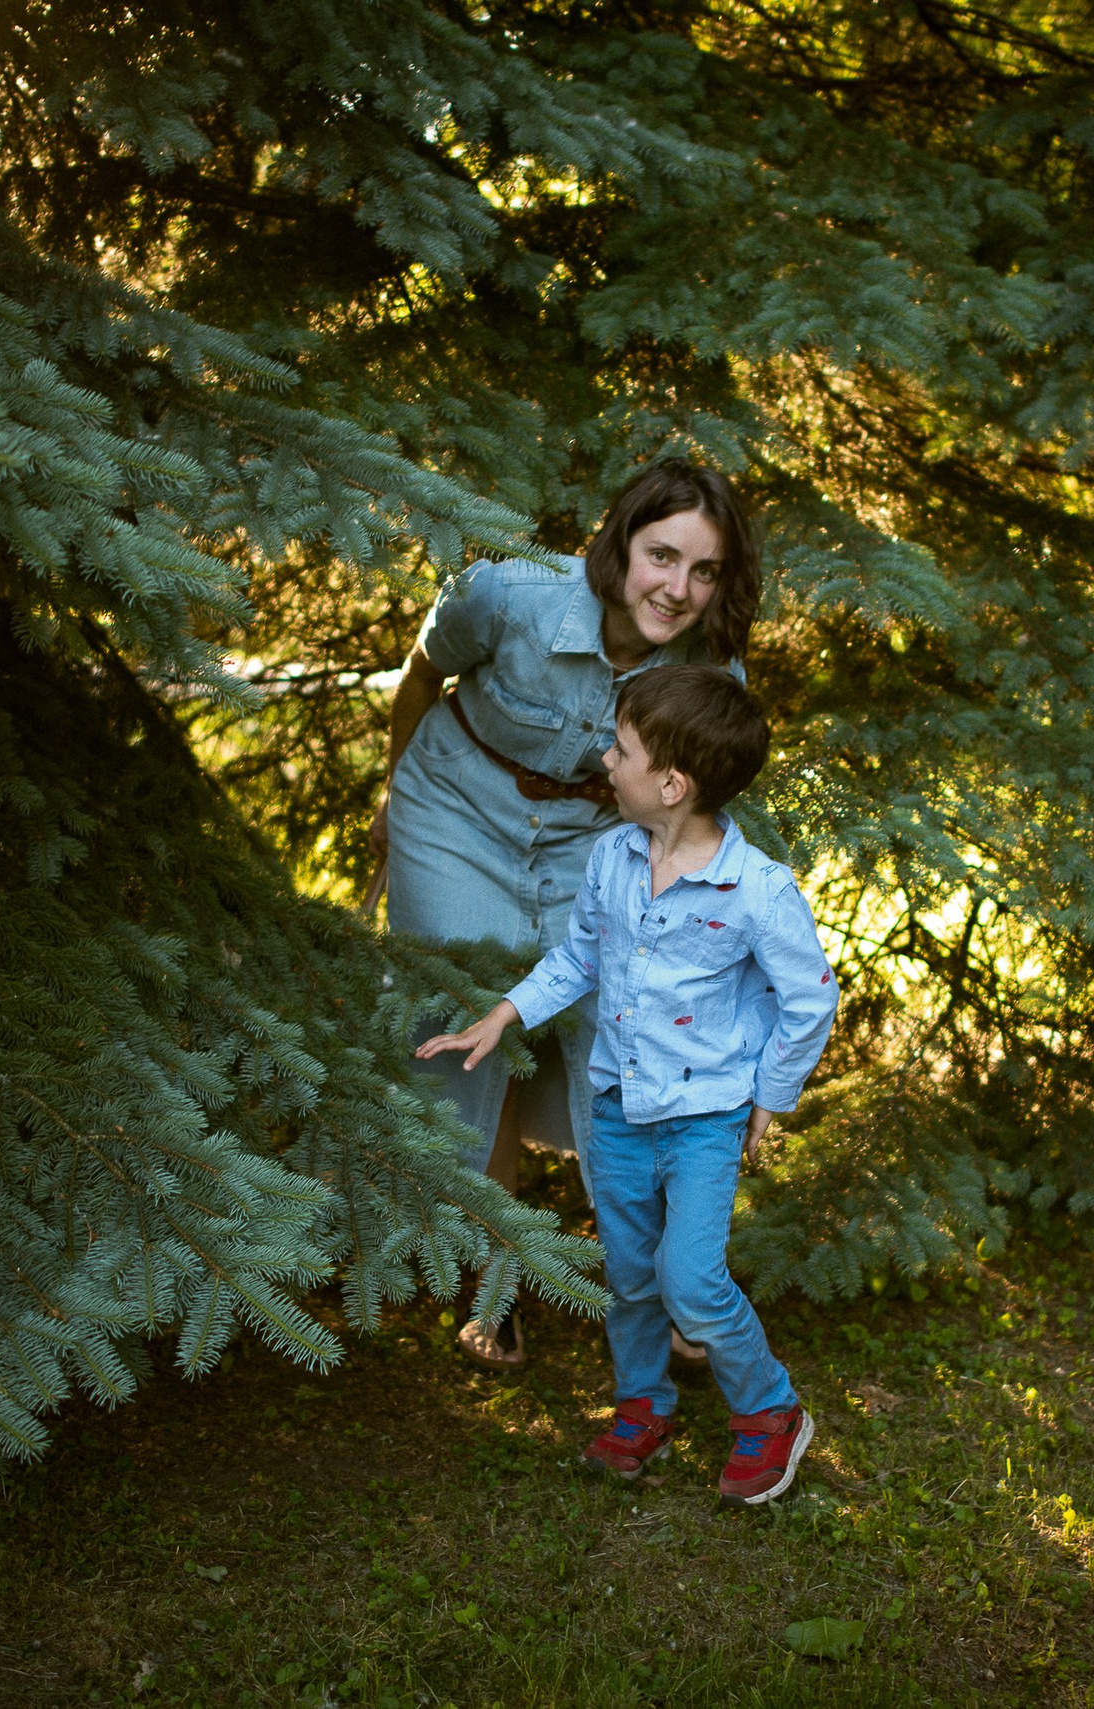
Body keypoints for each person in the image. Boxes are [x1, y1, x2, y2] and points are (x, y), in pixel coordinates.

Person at [416, 666, 838, 1507]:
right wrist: (504, 1013)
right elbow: (579, 956)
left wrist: (770, 1094)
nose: (604, 759)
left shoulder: (756, 891)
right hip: (618, 1108)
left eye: (621, 748)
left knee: (689, 1278)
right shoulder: (612, 856)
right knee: (631, 1274)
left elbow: (810, 996)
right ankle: (644, 1403)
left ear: (671, 784)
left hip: (705, 1119)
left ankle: (772, 1410)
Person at [373, 462, 760, 1369]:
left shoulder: (708, 670)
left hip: (595, 834)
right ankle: (492, 1281)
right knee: (472, 1021)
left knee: (623, 1030)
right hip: (455, 809)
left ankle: (676, 1290)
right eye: (662, 556)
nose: (678, 588)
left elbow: (686, 810)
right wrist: (393, 797)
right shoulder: (508, 595)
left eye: (704, 572)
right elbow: (424, 674)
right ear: (621, 540)